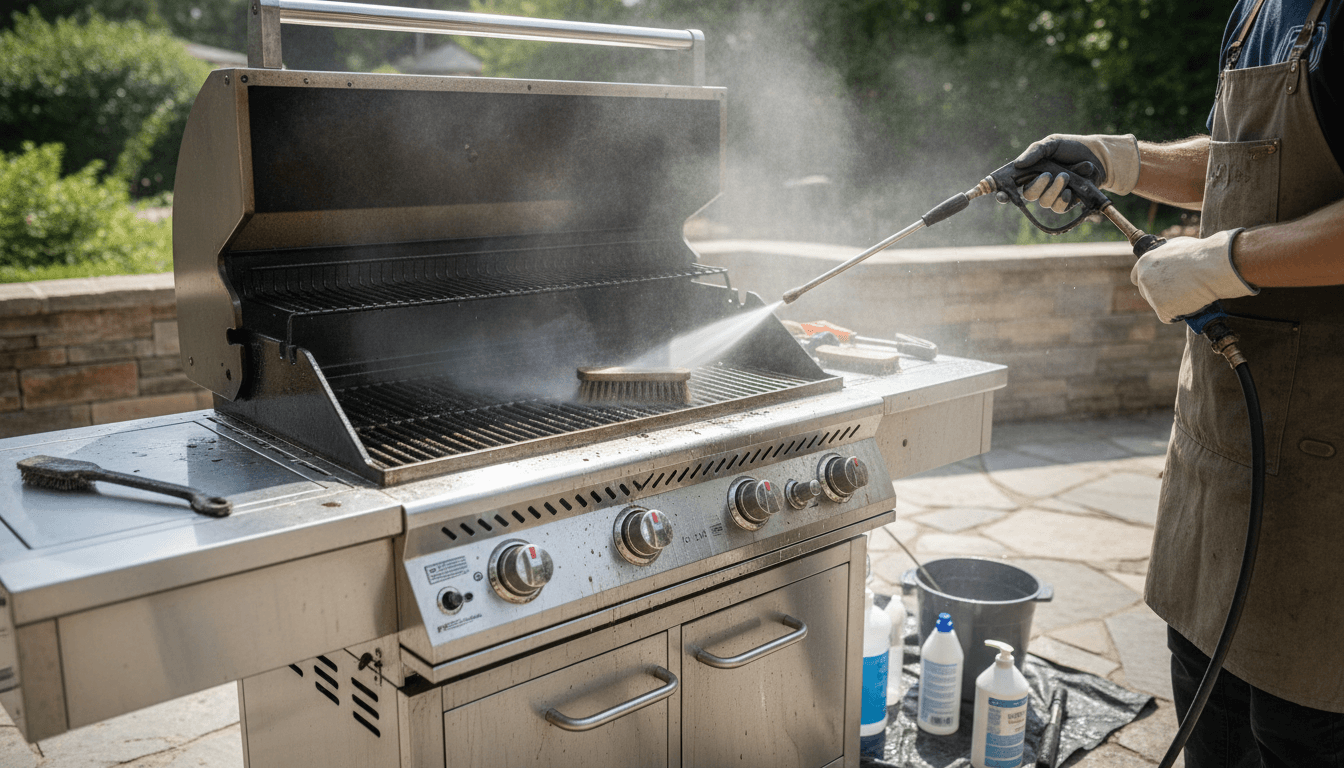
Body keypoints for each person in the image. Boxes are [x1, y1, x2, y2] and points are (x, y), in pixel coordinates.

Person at [1013, 0, 1344, 765]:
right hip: (1219, 452)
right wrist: (1120, 160)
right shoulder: (1259, 8)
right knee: (1207, 720)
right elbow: (1240, 159)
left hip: (1326, 474)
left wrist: (1220, 262)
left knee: (1295, 731)